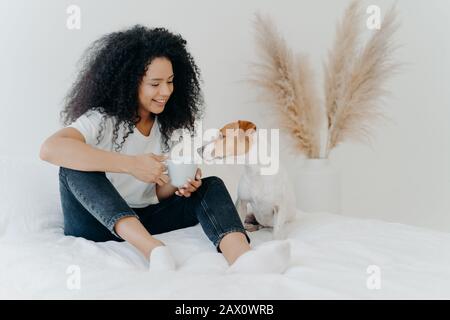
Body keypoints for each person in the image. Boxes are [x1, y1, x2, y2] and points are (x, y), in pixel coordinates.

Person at [40, 25, 290, 273]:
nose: (166, 91)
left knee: (210, 186)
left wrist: (180, 184)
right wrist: (131, 164)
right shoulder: (101, 119)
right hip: (93, 224)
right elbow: (50, 148)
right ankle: (154, 250)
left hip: (145, 217)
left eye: (170, 82)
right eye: (155, 83)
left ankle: (243, 259)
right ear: (130, 83)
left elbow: (159, 192)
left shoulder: (168, 125)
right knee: (73, 168)